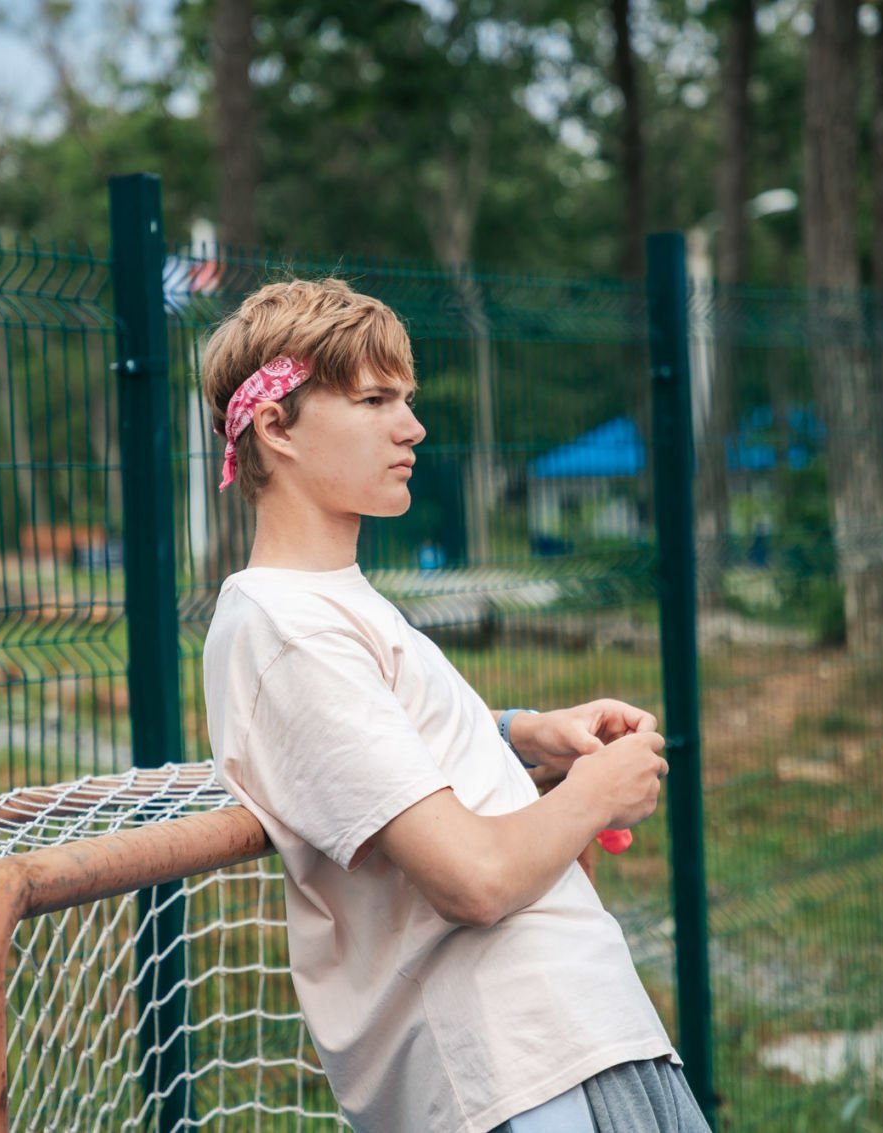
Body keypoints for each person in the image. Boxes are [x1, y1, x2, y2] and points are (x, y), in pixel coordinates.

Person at [200, 279, 710, 1133]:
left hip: (568, 1036)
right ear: (276, 426)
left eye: (407, 399)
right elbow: (472, 878)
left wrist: (524, 734)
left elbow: (380, 749)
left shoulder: (328, 604)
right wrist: (595, 793)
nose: (412, 427)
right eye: (374, 400)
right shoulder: (287, 628)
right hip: (515, 1069)